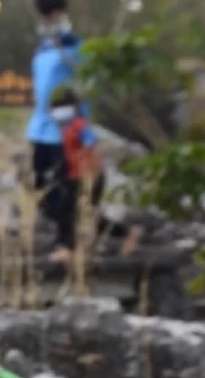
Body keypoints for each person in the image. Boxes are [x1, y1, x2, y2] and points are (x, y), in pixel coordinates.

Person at [26, 0, 92, 261]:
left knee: (68, 187)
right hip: (41, 128)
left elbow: (86, 85)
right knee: (42, 187)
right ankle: (110, 230)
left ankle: (68, 244)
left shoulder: (75, 48)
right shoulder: (42, 49)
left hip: (68, 129)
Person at [49, 85, 143, 261]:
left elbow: (91, 143)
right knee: (69, 211)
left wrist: (88, 172)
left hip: (89, 175)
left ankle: (71, 247)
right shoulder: (64, 127)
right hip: (73, 175)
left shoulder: (79, 126)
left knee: (78, 213)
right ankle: (70, 245)